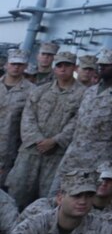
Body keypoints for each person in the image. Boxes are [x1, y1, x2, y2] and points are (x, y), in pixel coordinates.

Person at [6, 51, 87, 209]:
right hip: (31, 151)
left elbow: (79, 121)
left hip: (57, 155)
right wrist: (38, 140)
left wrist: (55, 141)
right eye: (59, 65)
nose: (63, 69)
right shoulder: (39, 91)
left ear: (75, 68)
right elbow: (28, 117)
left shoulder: (84, 94)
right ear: (54, 68)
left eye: (67, 65)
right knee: (17, 194)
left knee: (49, 199)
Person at [52, 49, 112, 193]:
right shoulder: (90, 91)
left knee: (90, 194)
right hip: (75, 152)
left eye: (108, 65)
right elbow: (78, 120)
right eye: (101, 64)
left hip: (101, 155)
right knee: (59, 190)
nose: (102, 68)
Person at [0, 49, 34, 186]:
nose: (16, 67)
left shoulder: (32, 91)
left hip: (10, 149)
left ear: (25, 67)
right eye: (13, 63)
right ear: (6, 65)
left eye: (20, 64)